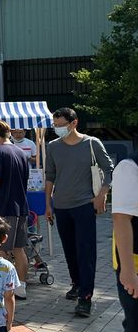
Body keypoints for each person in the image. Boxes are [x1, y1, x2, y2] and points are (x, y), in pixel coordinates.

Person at [45, 108, 114, 317]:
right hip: (61, 206)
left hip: (84, 205)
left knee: (86, 252)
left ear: (74, 123)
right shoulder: (53, 147)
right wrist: (48, 204)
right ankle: (76, 283)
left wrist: (102, 195)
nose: (57, 129)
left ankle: (85, 297)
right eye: (55, 125)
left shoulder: (92, 143)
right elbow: (50, 175)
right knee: (69, 249)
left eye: (60, 125)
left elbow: (109, 169)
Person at [0, 119, 30, 300]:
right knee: (19, 249)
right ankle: (22, 287)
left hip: (2, 207)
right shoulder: (21, 152)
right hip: (21, 207)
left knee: (2, 249)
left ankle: (4, 287)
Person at [111, 152, 138, 332]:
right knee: (136, 331)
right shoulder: (129, 167)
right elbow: (121, 218)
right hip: (135, 266)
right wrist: (128, 271)